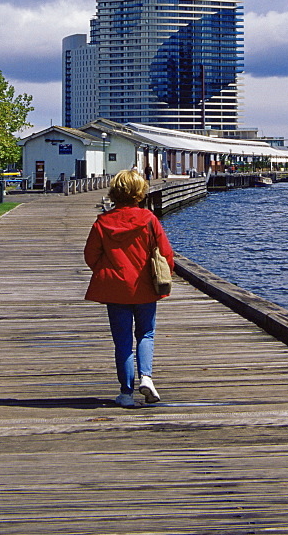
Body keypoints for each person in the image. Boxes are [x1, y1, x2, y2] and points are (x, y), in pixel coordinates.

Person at [84, 169, 174, 408]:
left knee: (122, 341)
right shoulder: (149, 219)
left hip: (115, 287)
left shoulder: (102, 222)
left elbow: (90, 256)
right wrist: (166, 275)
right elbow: (165, 253)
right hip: (144, 286)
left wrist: (107, 270)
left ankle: (126, 393)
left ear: (114, 193)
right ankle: (146, 377)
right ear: (140, 193)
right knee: (146, 333)